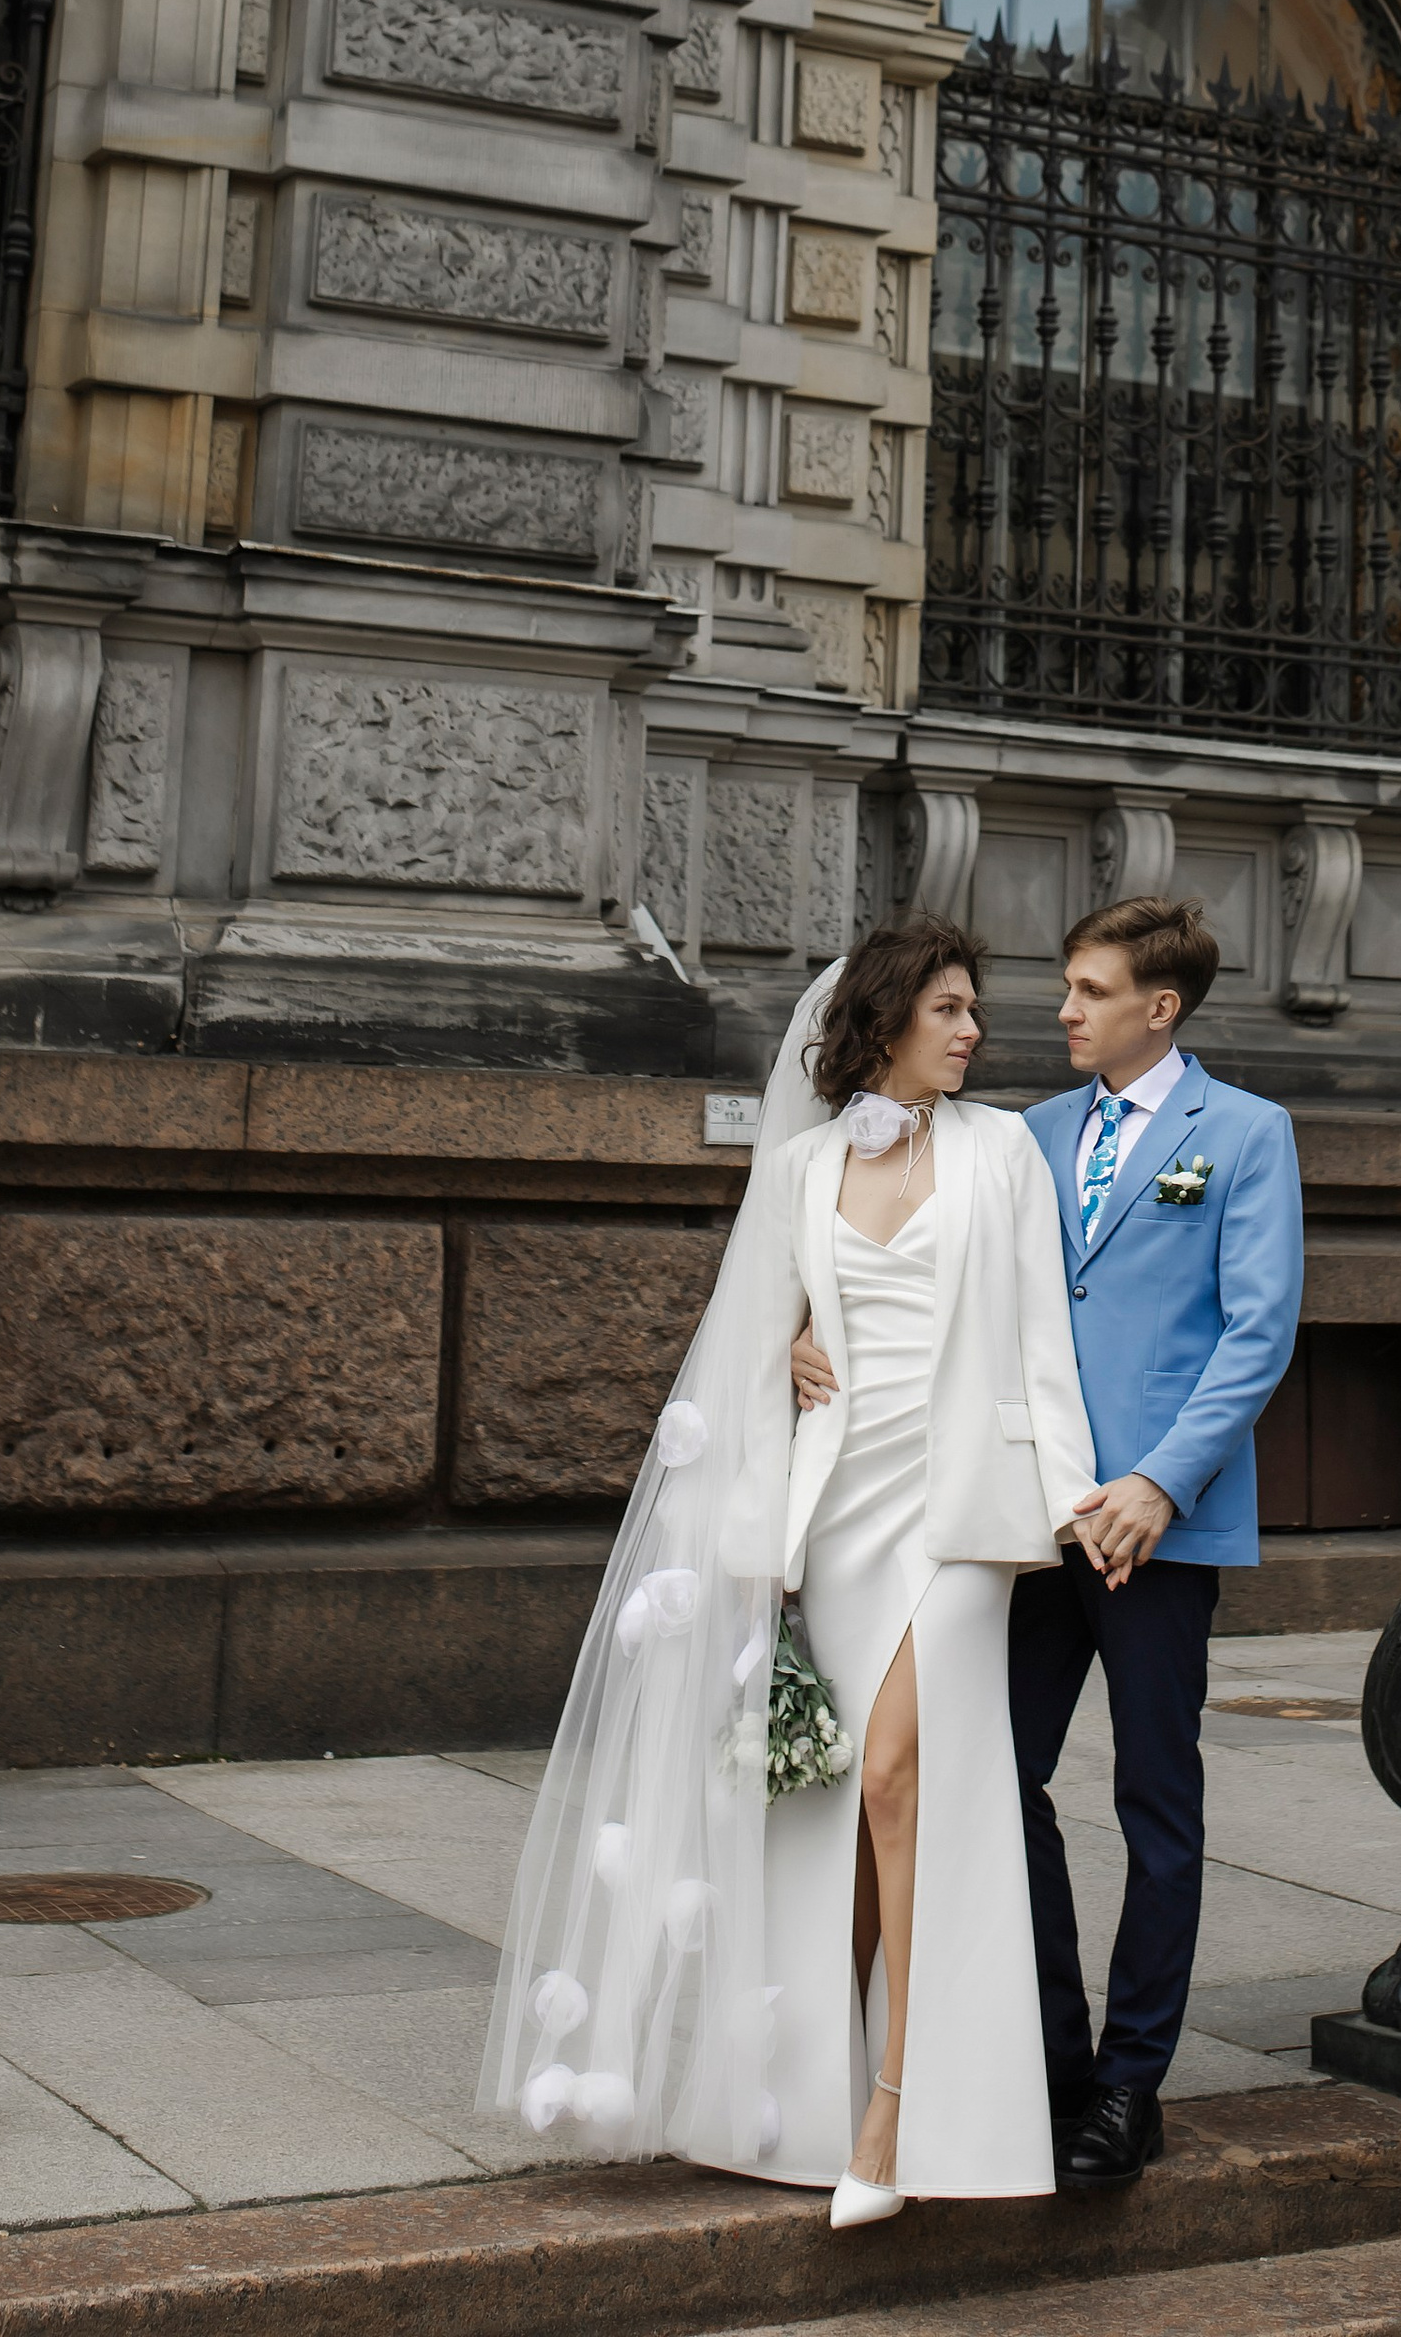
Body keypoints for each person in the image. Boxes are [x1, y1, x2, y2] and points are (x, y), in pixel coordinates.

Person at [482, 914, 1100, 2226]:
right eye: (950, 1011)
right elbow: (743, 1341)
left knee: (894, 1773)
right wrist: (780, 1366)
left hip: (960, 1520)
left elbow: (1043, 1340)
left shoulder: (1004, 1153)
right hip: (836, 1511)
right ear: (883, 1027)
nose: (976, 1031)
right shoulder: (805, 1169)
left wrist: (1074, 1502)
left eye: (975, 1010)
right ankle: (816, 2104)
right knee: (844, 1820)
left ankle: (895, 2115)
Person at [1012, 897, 1304, 2189]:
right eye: (1067, 988)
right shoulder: (1027, 1136)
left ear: (1159, 1008)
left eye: (1089, 989)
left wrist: (1161, 1486)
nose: (1064, 1011)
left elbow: (1259, 1332)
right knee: (999, 1785)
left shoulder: (1244, 1135)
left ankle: (1133, 2088)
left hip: (1159, 1538)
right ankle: (1055, 2061)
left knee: (1156, 1803)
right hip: (1031, 1525)